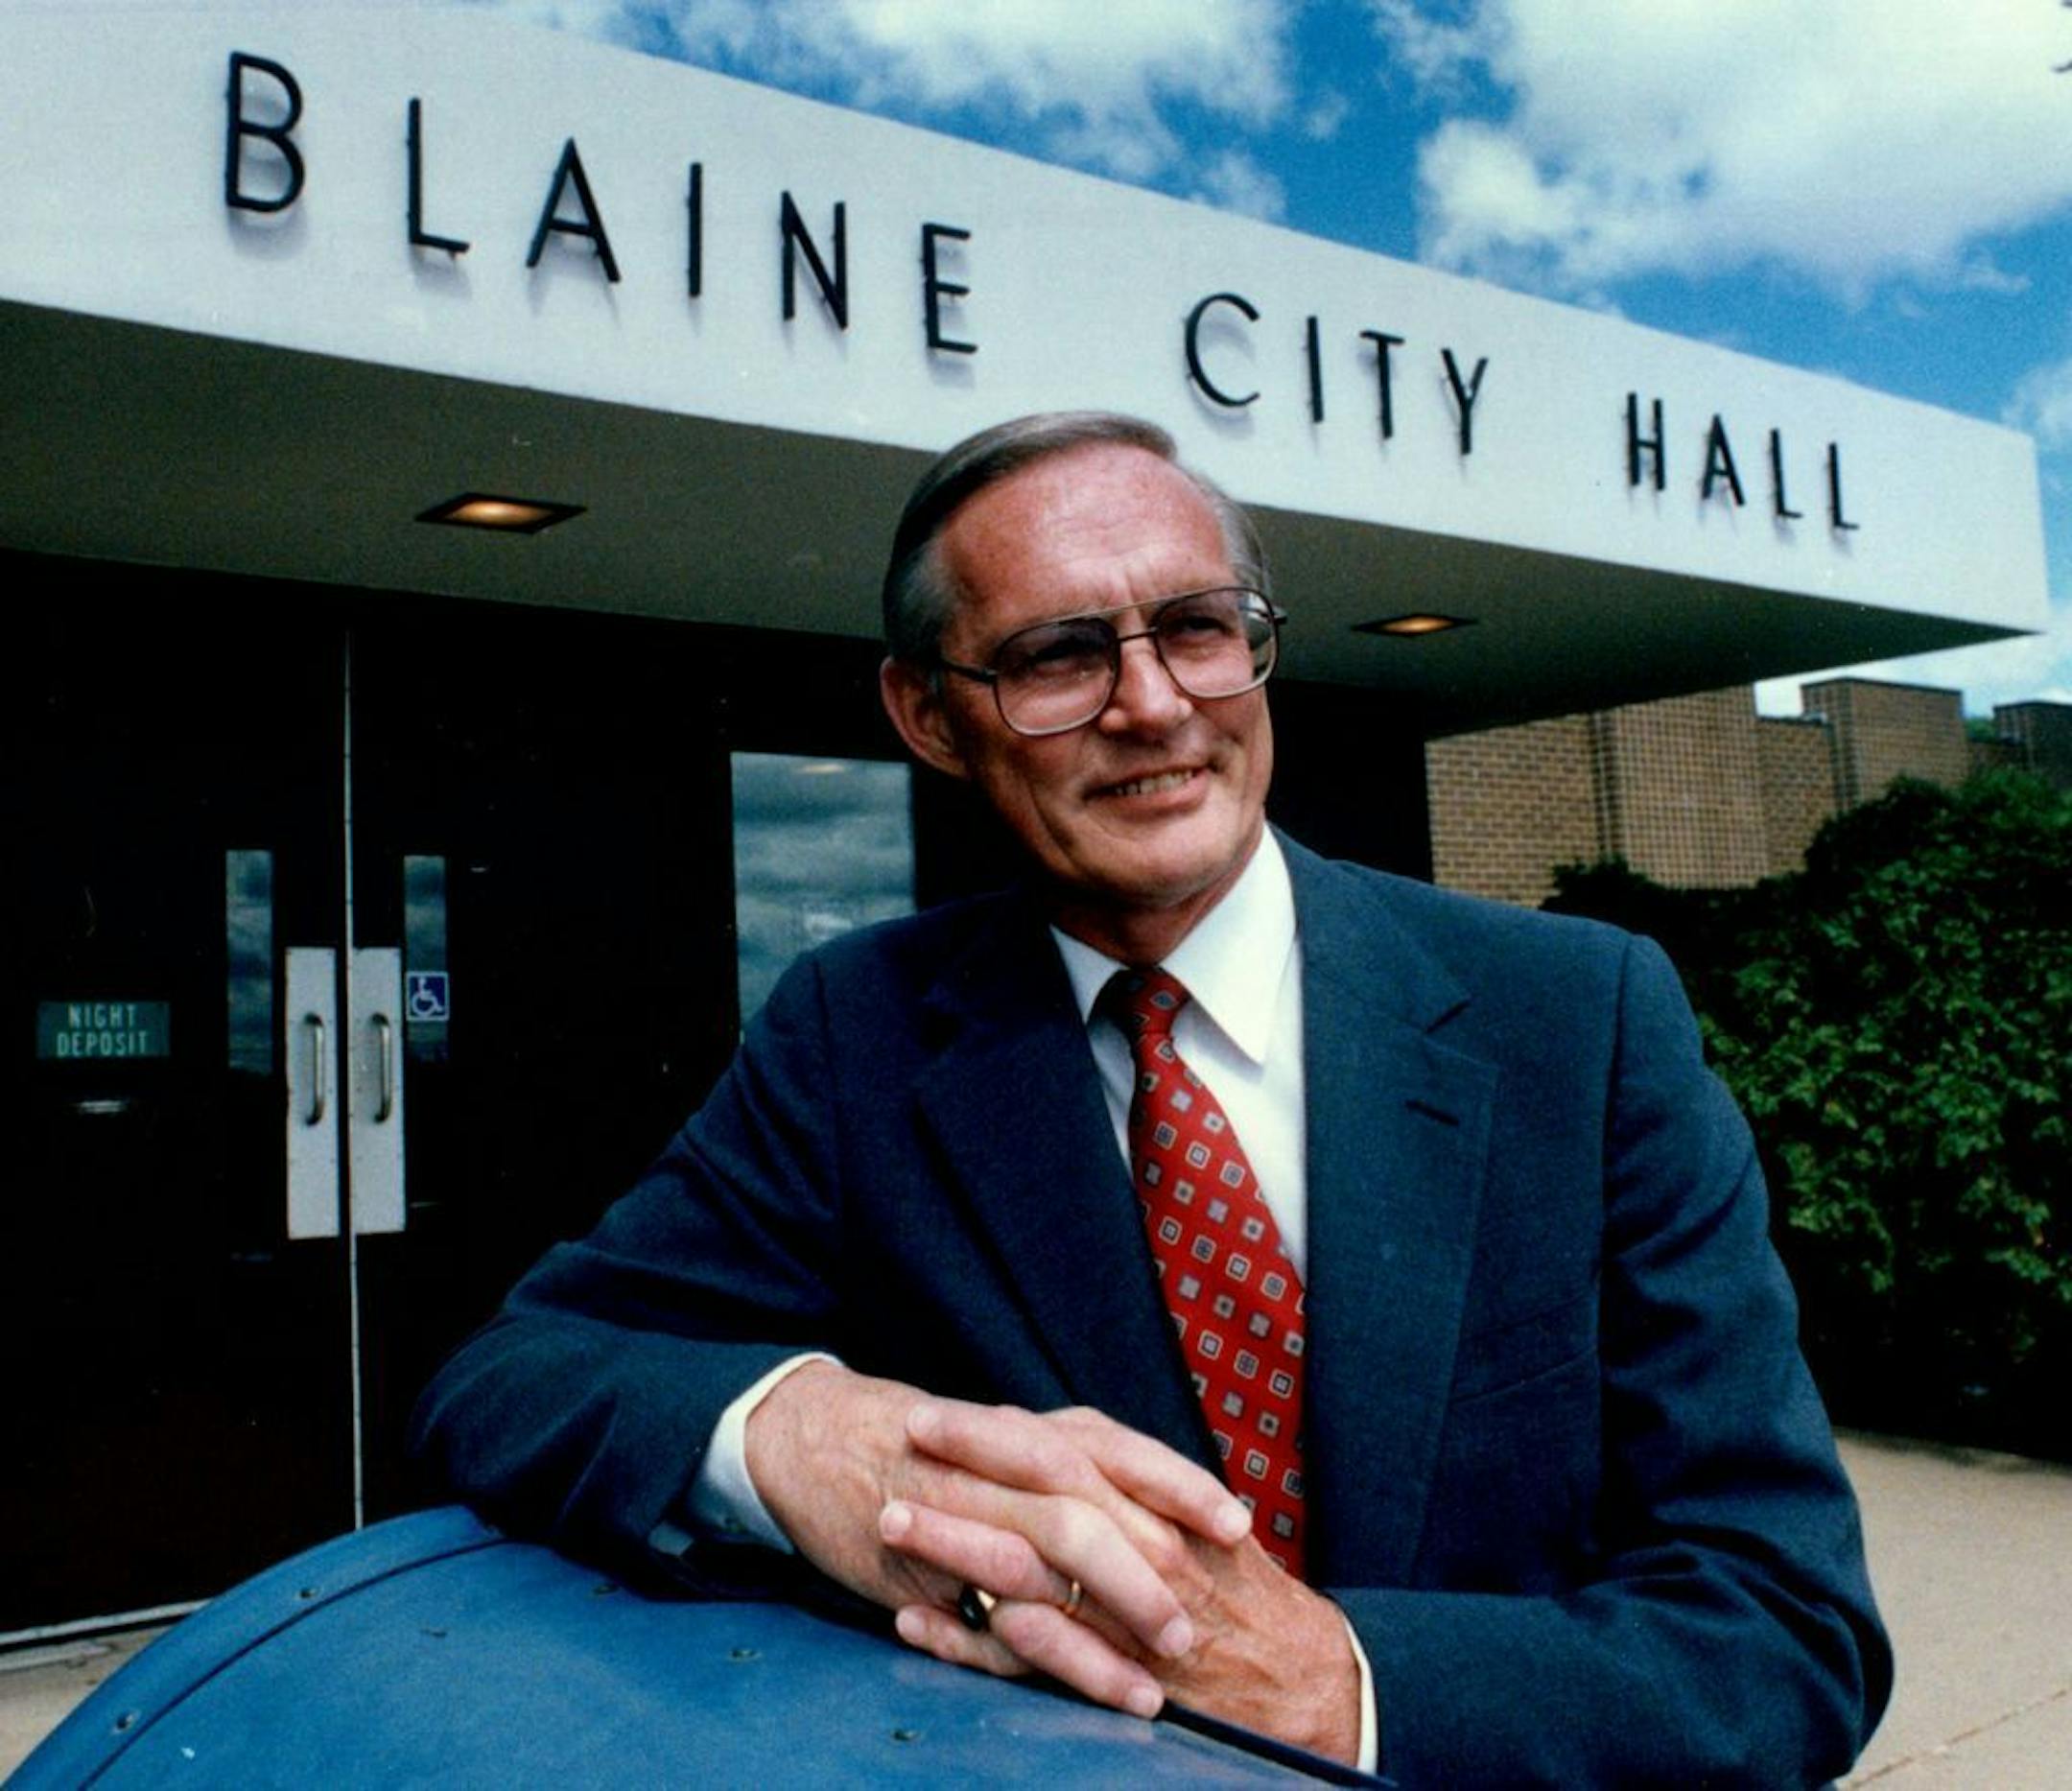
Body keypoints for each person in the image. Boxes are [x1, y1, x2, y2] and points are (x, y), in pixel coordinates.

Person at [412, 412, 1891, 1782]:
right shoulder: (853, 1038)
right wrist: (811, 1439)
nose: (1152, 704)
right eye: (1060, 656)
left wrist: (1346, 1686)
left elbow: (1784, 1632)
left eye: (1198, 630)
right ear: (930, 717)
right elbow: (514, 1376)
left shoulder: (1580, 1019)